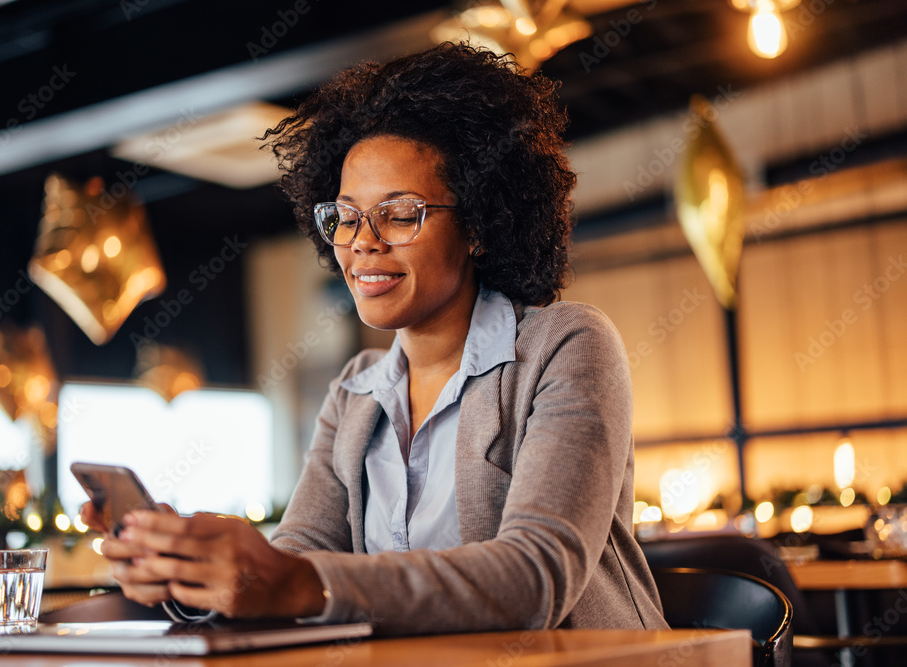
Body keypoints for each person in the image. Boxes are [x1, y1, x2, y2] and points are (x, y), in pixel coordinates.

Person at [84, 42, 666, 635]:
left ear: (479, 227)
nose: (362, 241)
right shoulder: (355, 393)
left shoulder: (564, 346)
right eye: (346, 215)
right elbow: (297, 558)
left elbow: (536, 577)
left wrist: (303, 583)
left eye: (400, 213)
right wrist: (189, 566)